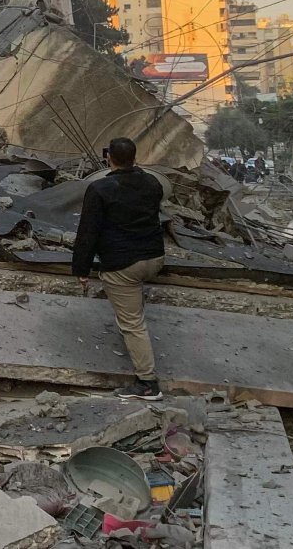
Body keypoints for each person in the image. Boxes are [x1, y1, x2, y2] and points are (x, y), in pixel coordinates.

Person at [73, 136, 166, 401]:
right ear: (135, 158)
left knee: (133, 324)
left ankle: (147, 383)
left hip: (124, 265)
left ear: (108, 158)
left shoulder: (100, 189)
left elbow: (88, 232)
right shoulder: (152, 183)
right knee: (132, 312)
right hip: (154, 257)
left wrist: (81, 268)